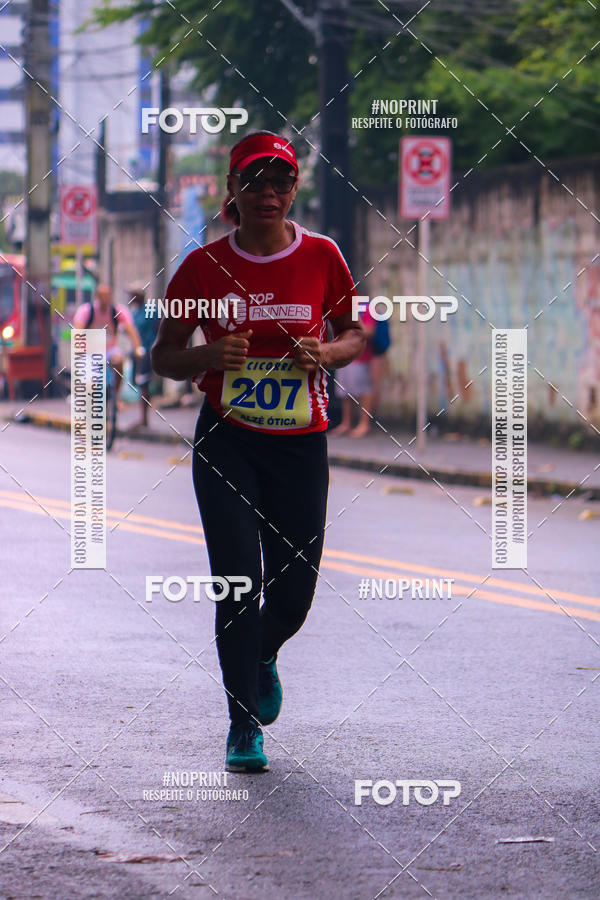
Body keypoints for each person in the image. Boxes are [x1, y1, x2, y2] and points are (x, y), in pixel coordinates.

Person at [151, 131, 366, 772]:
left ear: (294, 190)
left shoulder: (323, 257)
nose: (269, 194)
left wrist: (325, 354)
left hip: (300, 446)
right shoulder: (200, 268)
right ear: (232, 193)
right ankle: (242, 724)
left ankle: (262, 654)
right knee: (237, 581)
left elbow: (355, 331)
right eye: (255, 182)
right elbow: (164, 355)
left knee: (294, 591)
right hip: (228, 441)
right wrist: (208, 356)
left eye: (281, 182)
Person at [73, 283, 145, 406]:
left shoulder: (117, 311)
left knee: (118, 361)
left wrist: (138, 348)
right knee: (91, 383)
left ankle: (115, 397)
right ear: (97, 296)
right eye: (102, 295)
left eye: (108, 295)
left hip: (110, 350)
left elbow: (131, 330)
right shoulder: (86, 311)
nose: (105, 298)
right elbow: (78, 332)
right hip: (91, 352)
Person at [330, 306, 376, 437]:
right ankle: (346, 423)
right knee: (345, 391)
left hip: (361, 358)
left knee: (364, 390)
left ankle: (364, 424)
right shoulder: (345, 308)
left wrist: (350, 332)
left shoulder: (367, 308)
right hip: (344, 356)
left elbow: (370, 330)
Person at [130, 289, 158, 428]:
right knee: (140, 384)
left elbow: (158, 328)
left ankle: (144, 419)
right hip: (137, 353)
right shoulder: (134, 313)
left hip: (147, 352)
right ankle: (142, 418)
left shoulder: (150, 310)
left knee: (144, 384)